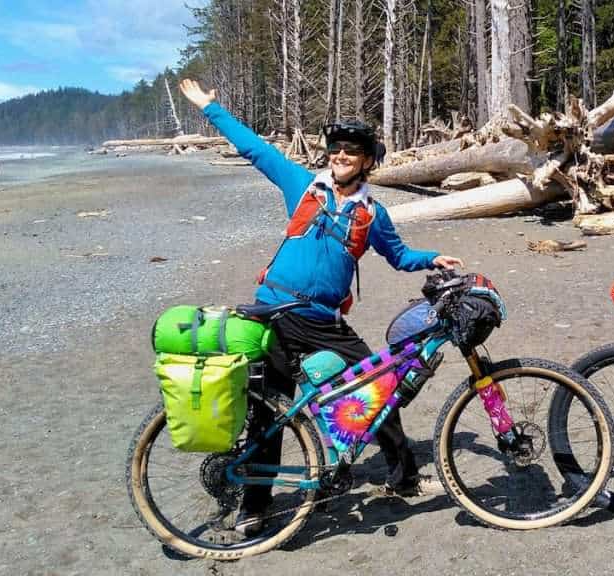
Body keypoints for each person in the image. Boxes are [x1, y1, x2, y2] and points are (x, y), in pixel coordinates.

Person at [179, 79, 463, 535]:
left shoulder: (373, 214)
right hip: (273, 312)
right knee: (269, 412)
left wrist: (432, 259)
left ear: (368, 161)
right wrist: (210, 108)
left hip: (325, 322)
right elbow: (255, 149)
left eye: (351, 150)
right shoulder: (303, 187)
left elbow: (399, 256)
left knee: (380, 387)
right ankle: (254, 506)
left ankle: (404, 477)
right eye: (336, 149)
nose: (340, 155)